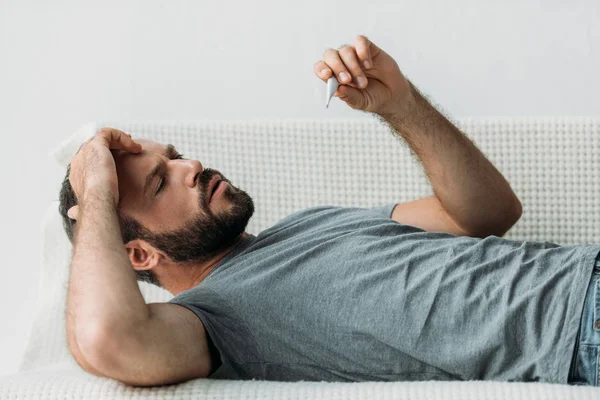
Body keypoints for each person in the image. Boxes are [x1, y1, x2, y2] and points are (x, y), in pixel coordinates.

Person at [58, 35, 600, 388]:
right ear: (137, 251)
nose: (191, 165)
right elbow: (109, 338)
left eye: (173, 156)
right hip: (577, 336)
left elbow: (488, 214)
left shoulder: (307, 223)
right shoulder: (210, 320)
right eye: (160, 182)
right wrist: (95, 185)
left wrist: (400, 105)